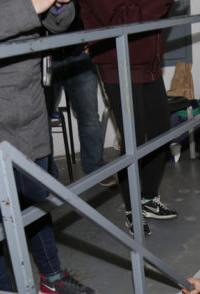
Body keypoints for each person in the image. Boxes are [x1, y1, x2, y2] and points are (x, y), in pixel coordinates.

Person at [0, 0, 98, 294]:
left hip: (31, 110)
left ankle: (50, 277)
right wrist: (35, 2)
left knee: (37, 204)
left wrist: (61, 5)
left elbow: (57, 25)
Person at [80, 0, 178, 236]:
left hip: (149, 64)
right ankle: (133, 210)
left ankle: (148, 200)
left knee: (161, 130)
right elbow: (118, 19)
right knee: (134, 139)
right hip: (118, 63)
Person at [45, 0, 116, 187]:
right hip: (46, 59)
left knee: (89, 117)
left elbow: (95, 9)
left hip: (79, 56)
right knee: (41, 120)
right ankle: (46, 174)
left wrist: (93, 42)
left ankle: (95, 167)